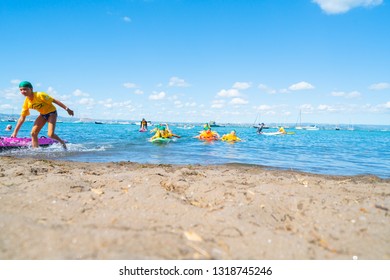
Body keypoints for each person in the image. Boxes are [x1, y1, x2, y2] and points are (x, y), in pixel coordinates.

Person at [11, 81, 74, 149]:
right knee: (33, 133)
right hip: (43, 115)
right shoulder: (26, 102)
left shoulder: (40, 95)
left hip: (51, 113)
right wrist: (15, 133)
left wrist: (67, 109)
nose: (23, 91)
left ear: (31, 89)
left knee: (50, 134)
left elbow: (54, 101)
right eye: (21, 90)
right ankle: (36, 150)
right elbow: (22, 118)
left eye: (25, 89)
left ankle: (62, 142)